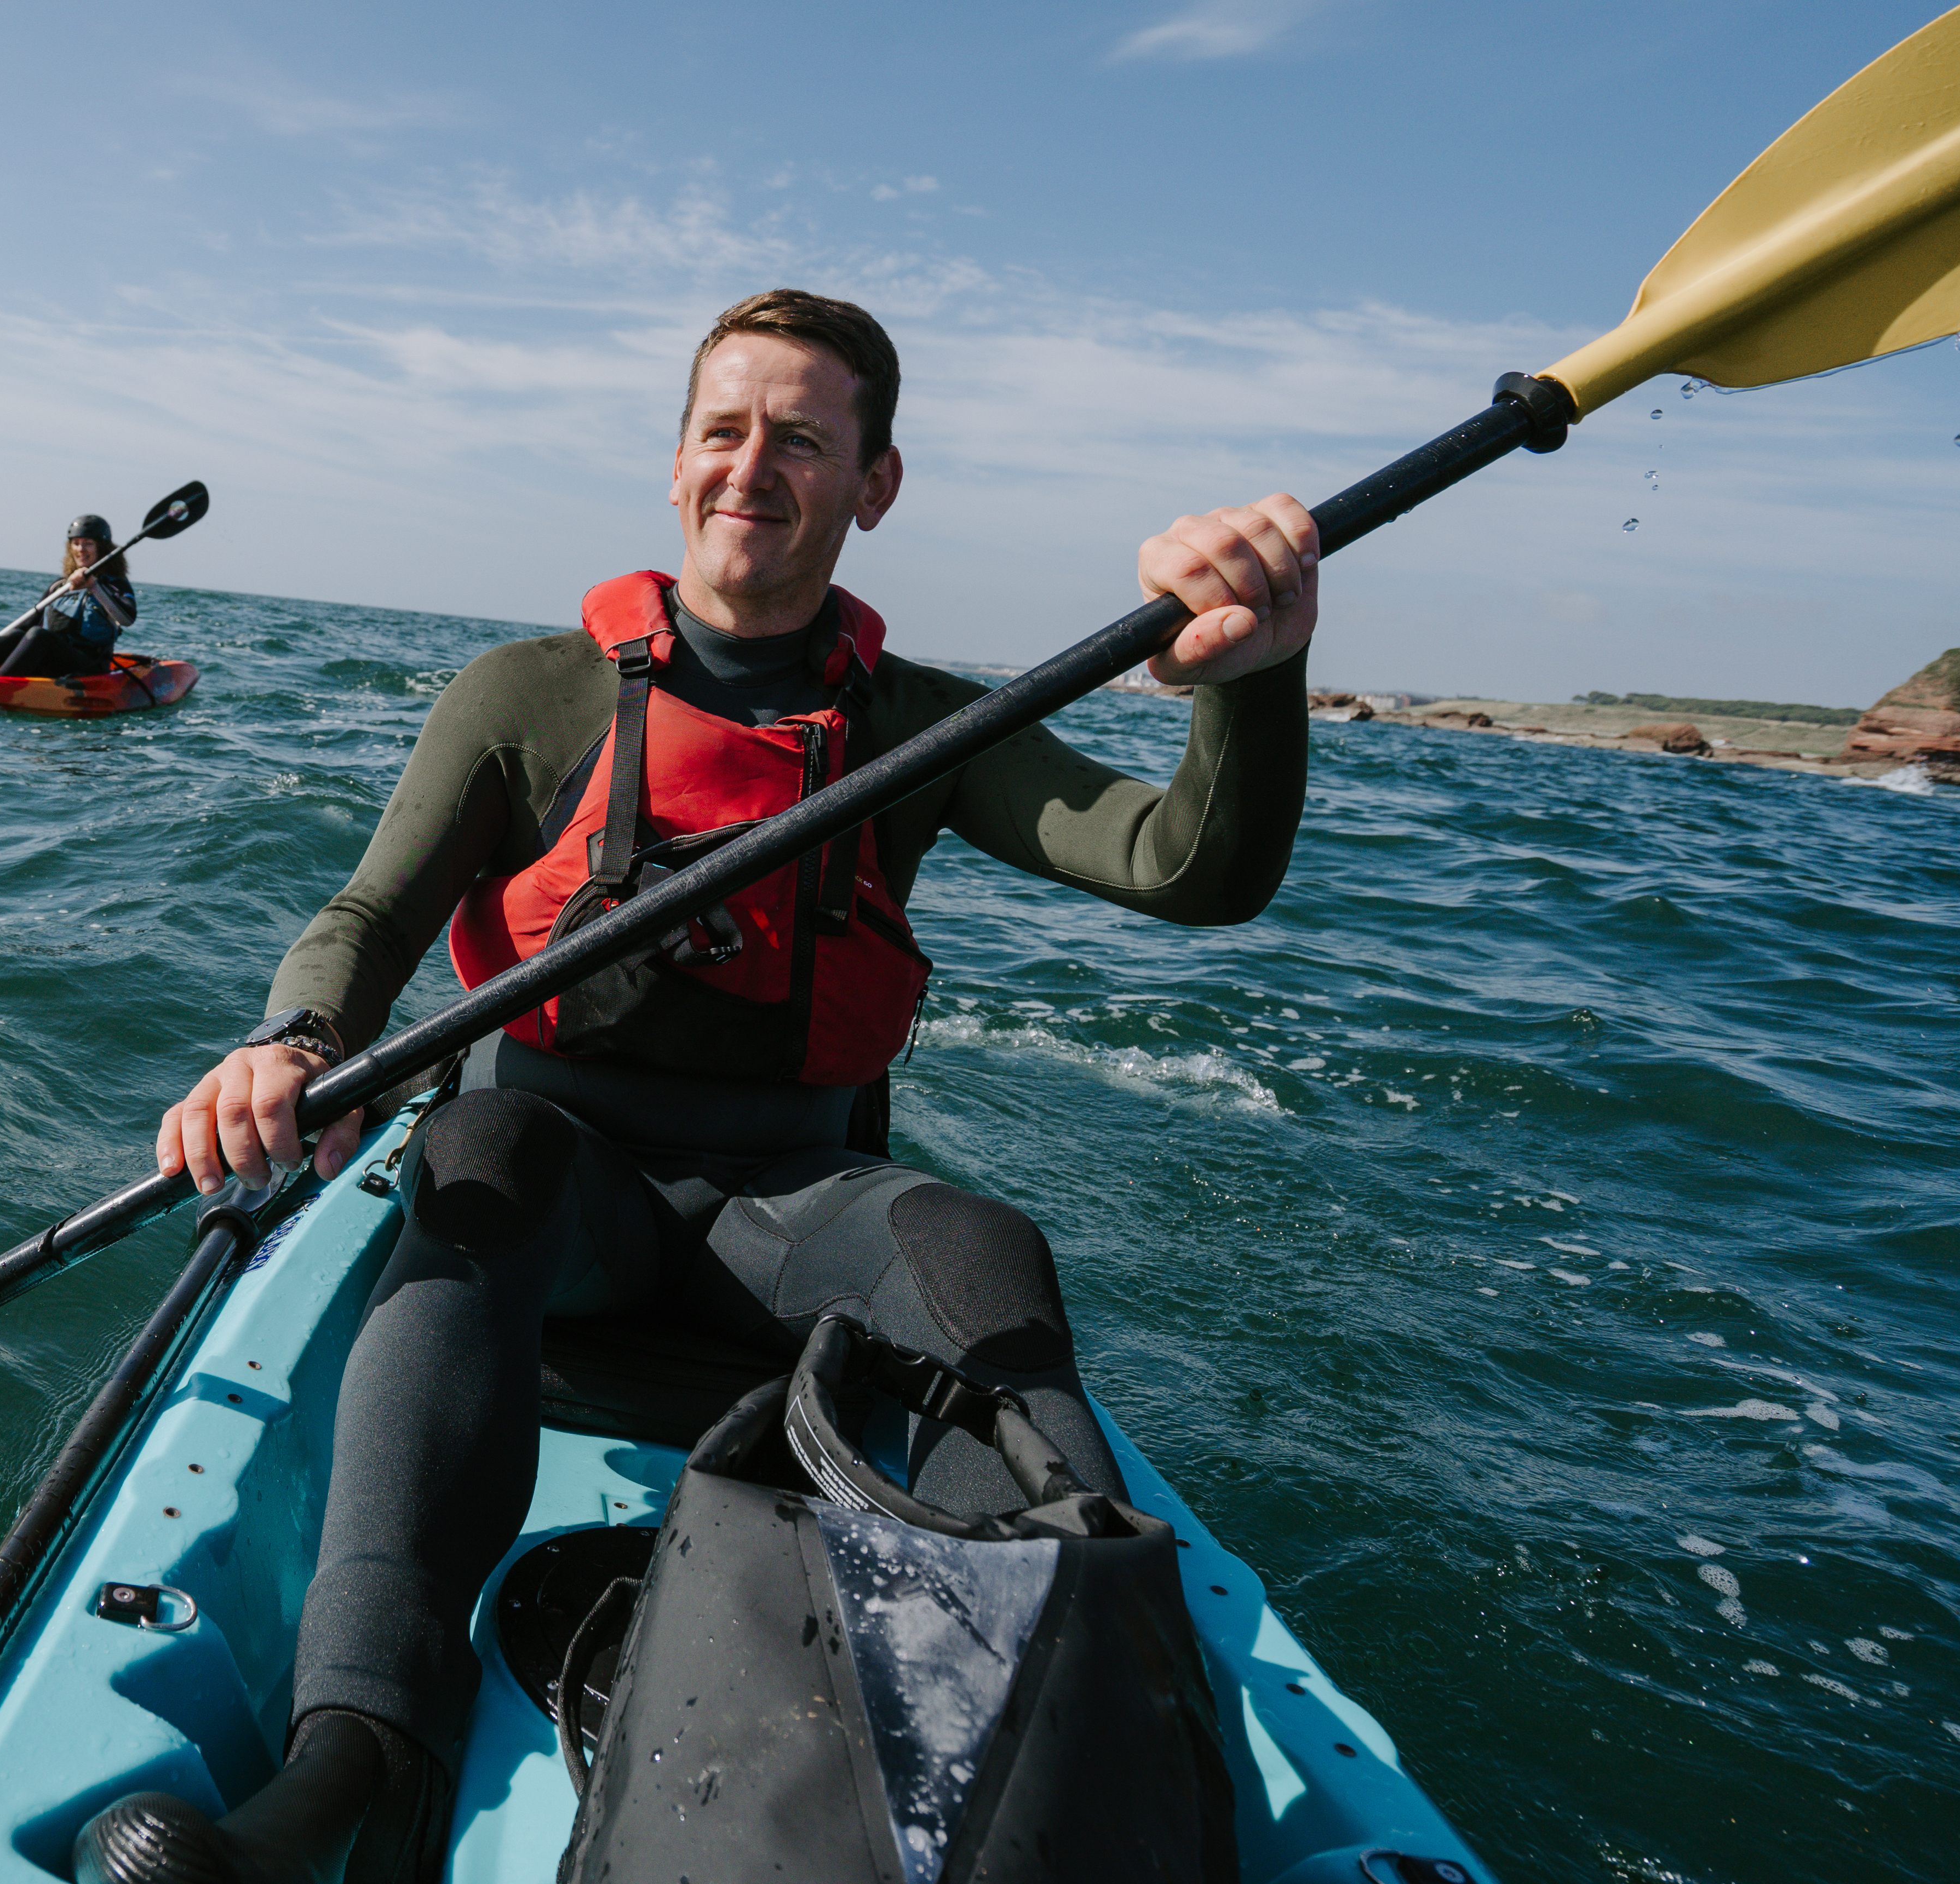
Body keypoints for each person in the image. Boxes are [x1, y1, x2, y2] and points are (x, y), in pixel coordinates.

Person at [79, 289, 1320, 1884]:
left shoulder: (918, 723)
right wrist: (295, 1037)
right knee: (472, 1155)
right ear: (674, 462)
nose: (753, 465)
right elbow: (368, 918)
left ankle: (1066, 1752)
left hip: (785, 1211)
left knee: (980, 1244)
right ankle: (353, 1754)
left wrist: (1252, 678)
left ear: (872, 481)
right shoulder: (526, 695)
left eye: (802, 436)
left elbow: (1183, 865)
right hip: (551, 1194)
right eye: (723, 430)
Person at [0, 514, 137, 678]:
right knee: (19, 635)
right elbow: (28, 624)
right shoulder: (59, 586)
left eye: (88, 544)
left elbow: (127, 619)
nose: (81, 549)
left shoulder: (114, 584)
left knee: (40, 636)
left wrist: (94, 587)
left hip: (88, 666)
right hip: (51, 661)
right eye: (76, 543)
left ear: (102, 548)